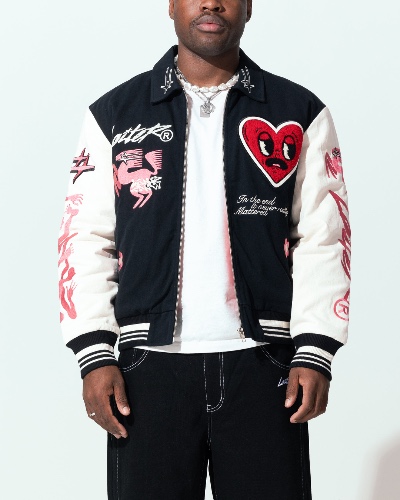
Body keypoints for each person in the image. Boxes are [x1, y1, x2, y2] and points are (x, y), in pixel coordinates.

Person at [58, 0, 351, 498]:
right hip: (146, 369)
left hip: (266, 364)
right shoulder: (114, 114)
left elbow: (324, 236)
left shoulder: (298, 111)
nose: (212, 2)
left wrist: (316, 348)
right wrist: (93, 352)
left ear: (249, 7)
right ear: (171, 6)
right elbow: (85, 237)